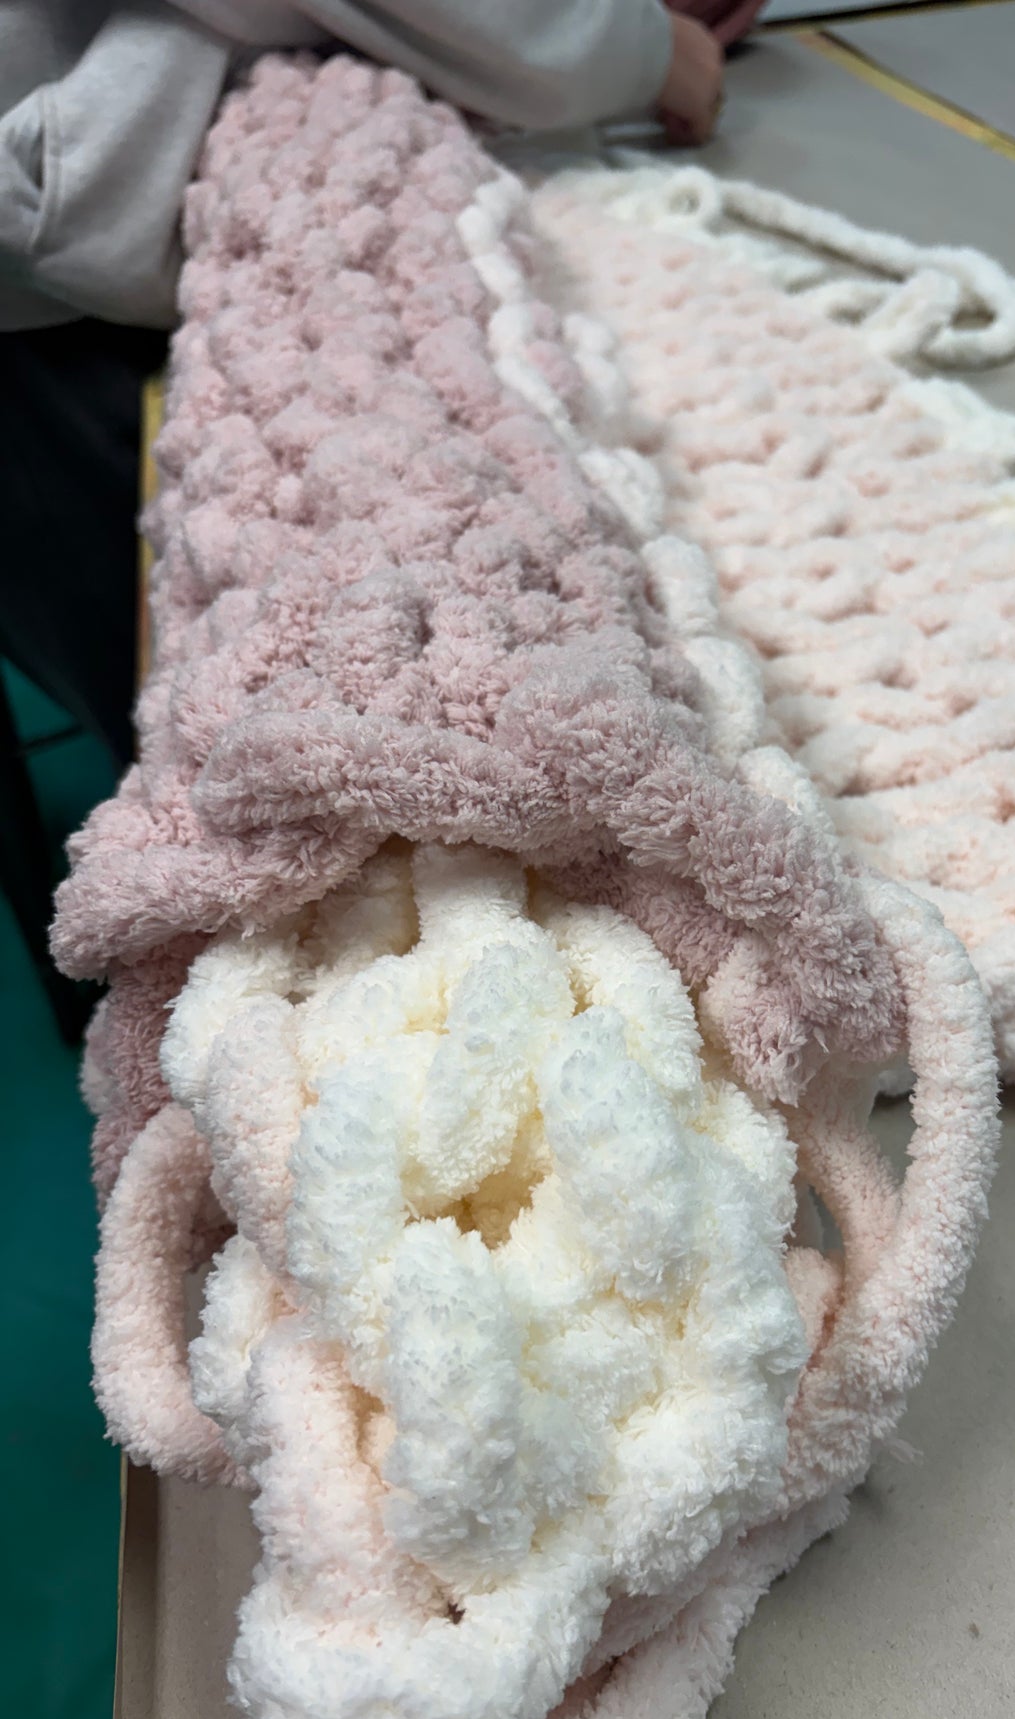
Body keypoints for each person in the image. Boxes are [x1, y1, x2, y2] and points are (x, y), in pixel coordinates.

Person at [0, 0, 724, 1031]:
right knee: (198, 742)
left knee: (202, 735)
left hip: (86, 219)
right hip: (85, 279)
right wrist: (641, 48)